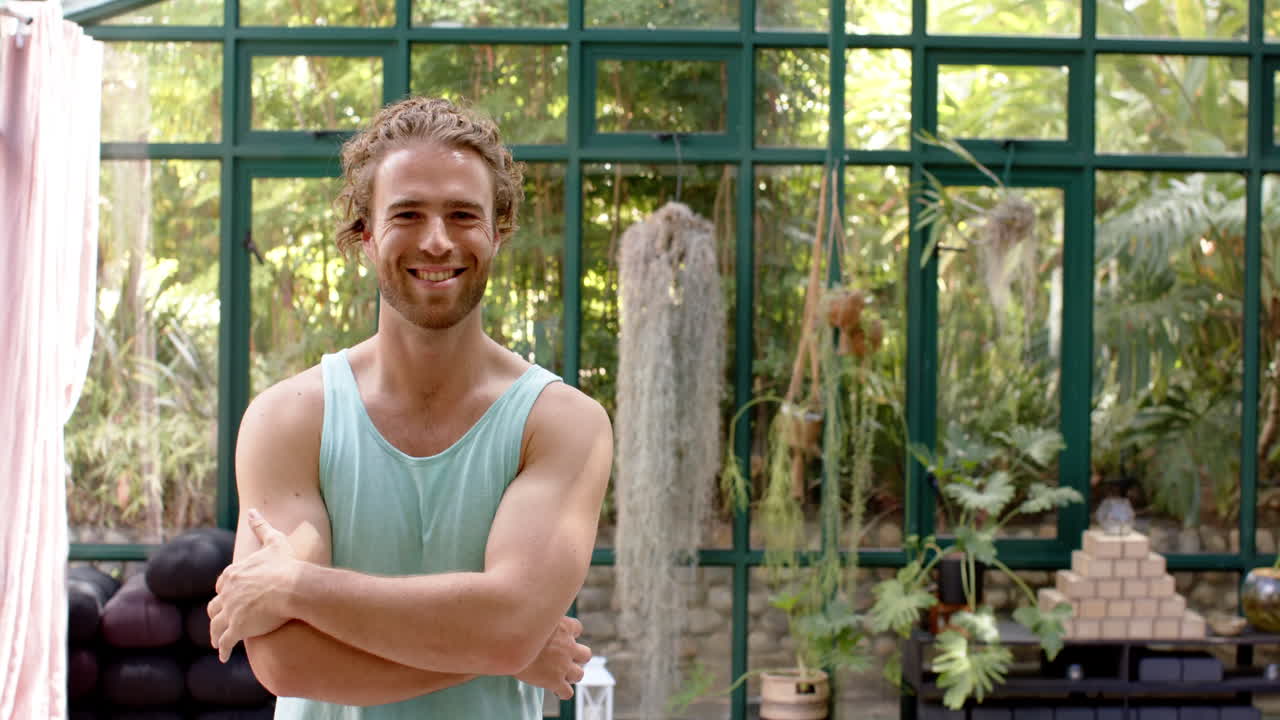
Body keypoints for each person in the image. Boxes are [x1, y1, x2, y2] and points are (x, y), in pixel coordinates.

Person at [205, 96, 613, 719]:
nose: (438, 240)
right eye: (408, 214)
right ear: (366, 236)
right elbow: (287, 662)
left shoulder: (561, 423)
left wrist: (299, 586)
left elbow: (507, 625)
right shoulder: (290, 417)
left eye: (462, 214)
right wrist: (493, 649)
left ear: (499, 230)